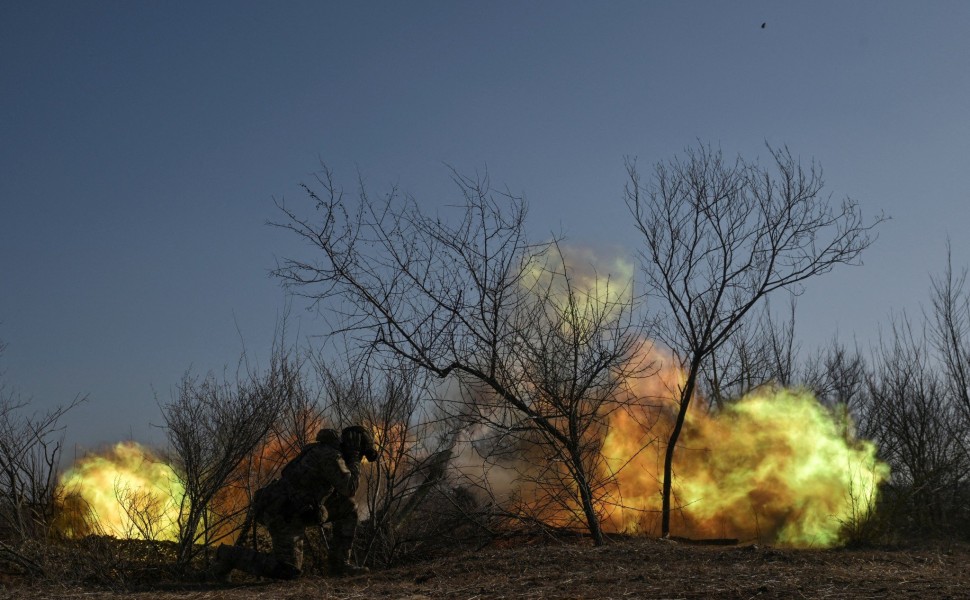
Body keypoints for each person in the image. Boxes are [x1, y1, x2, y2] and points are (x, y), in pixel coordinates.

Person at [210, 425, 378, 580]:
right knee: (288, 570)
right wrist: (355, 458)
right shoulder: (329, 455)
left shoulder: (330, 452)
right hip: (282, 512)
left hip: (299, 509)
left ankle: (339, 566)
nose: (360, 457)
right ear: (351, 446)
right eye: (361, 453)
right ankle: (228, 555)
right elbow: (350, 487)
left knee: (348, 507)